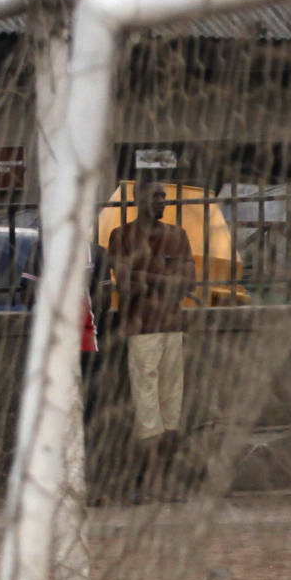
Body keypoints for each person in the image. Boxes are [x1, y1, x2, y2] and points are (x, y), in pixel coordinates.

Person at [110, 181, 195, 493]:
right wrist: (166, 280)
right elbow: (125, 284)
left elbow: (188, 283)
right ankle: (152, 480)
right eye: (155, 196)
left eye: (163, 195)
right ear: (137, 200)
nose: (162, 200)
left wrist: (144, 276)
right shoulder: (122, 236)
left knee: (171, 403)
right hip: (142, 327)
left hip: (172, 325)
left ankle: (164, 481)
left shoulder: (178, 235)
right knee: (147, 407)